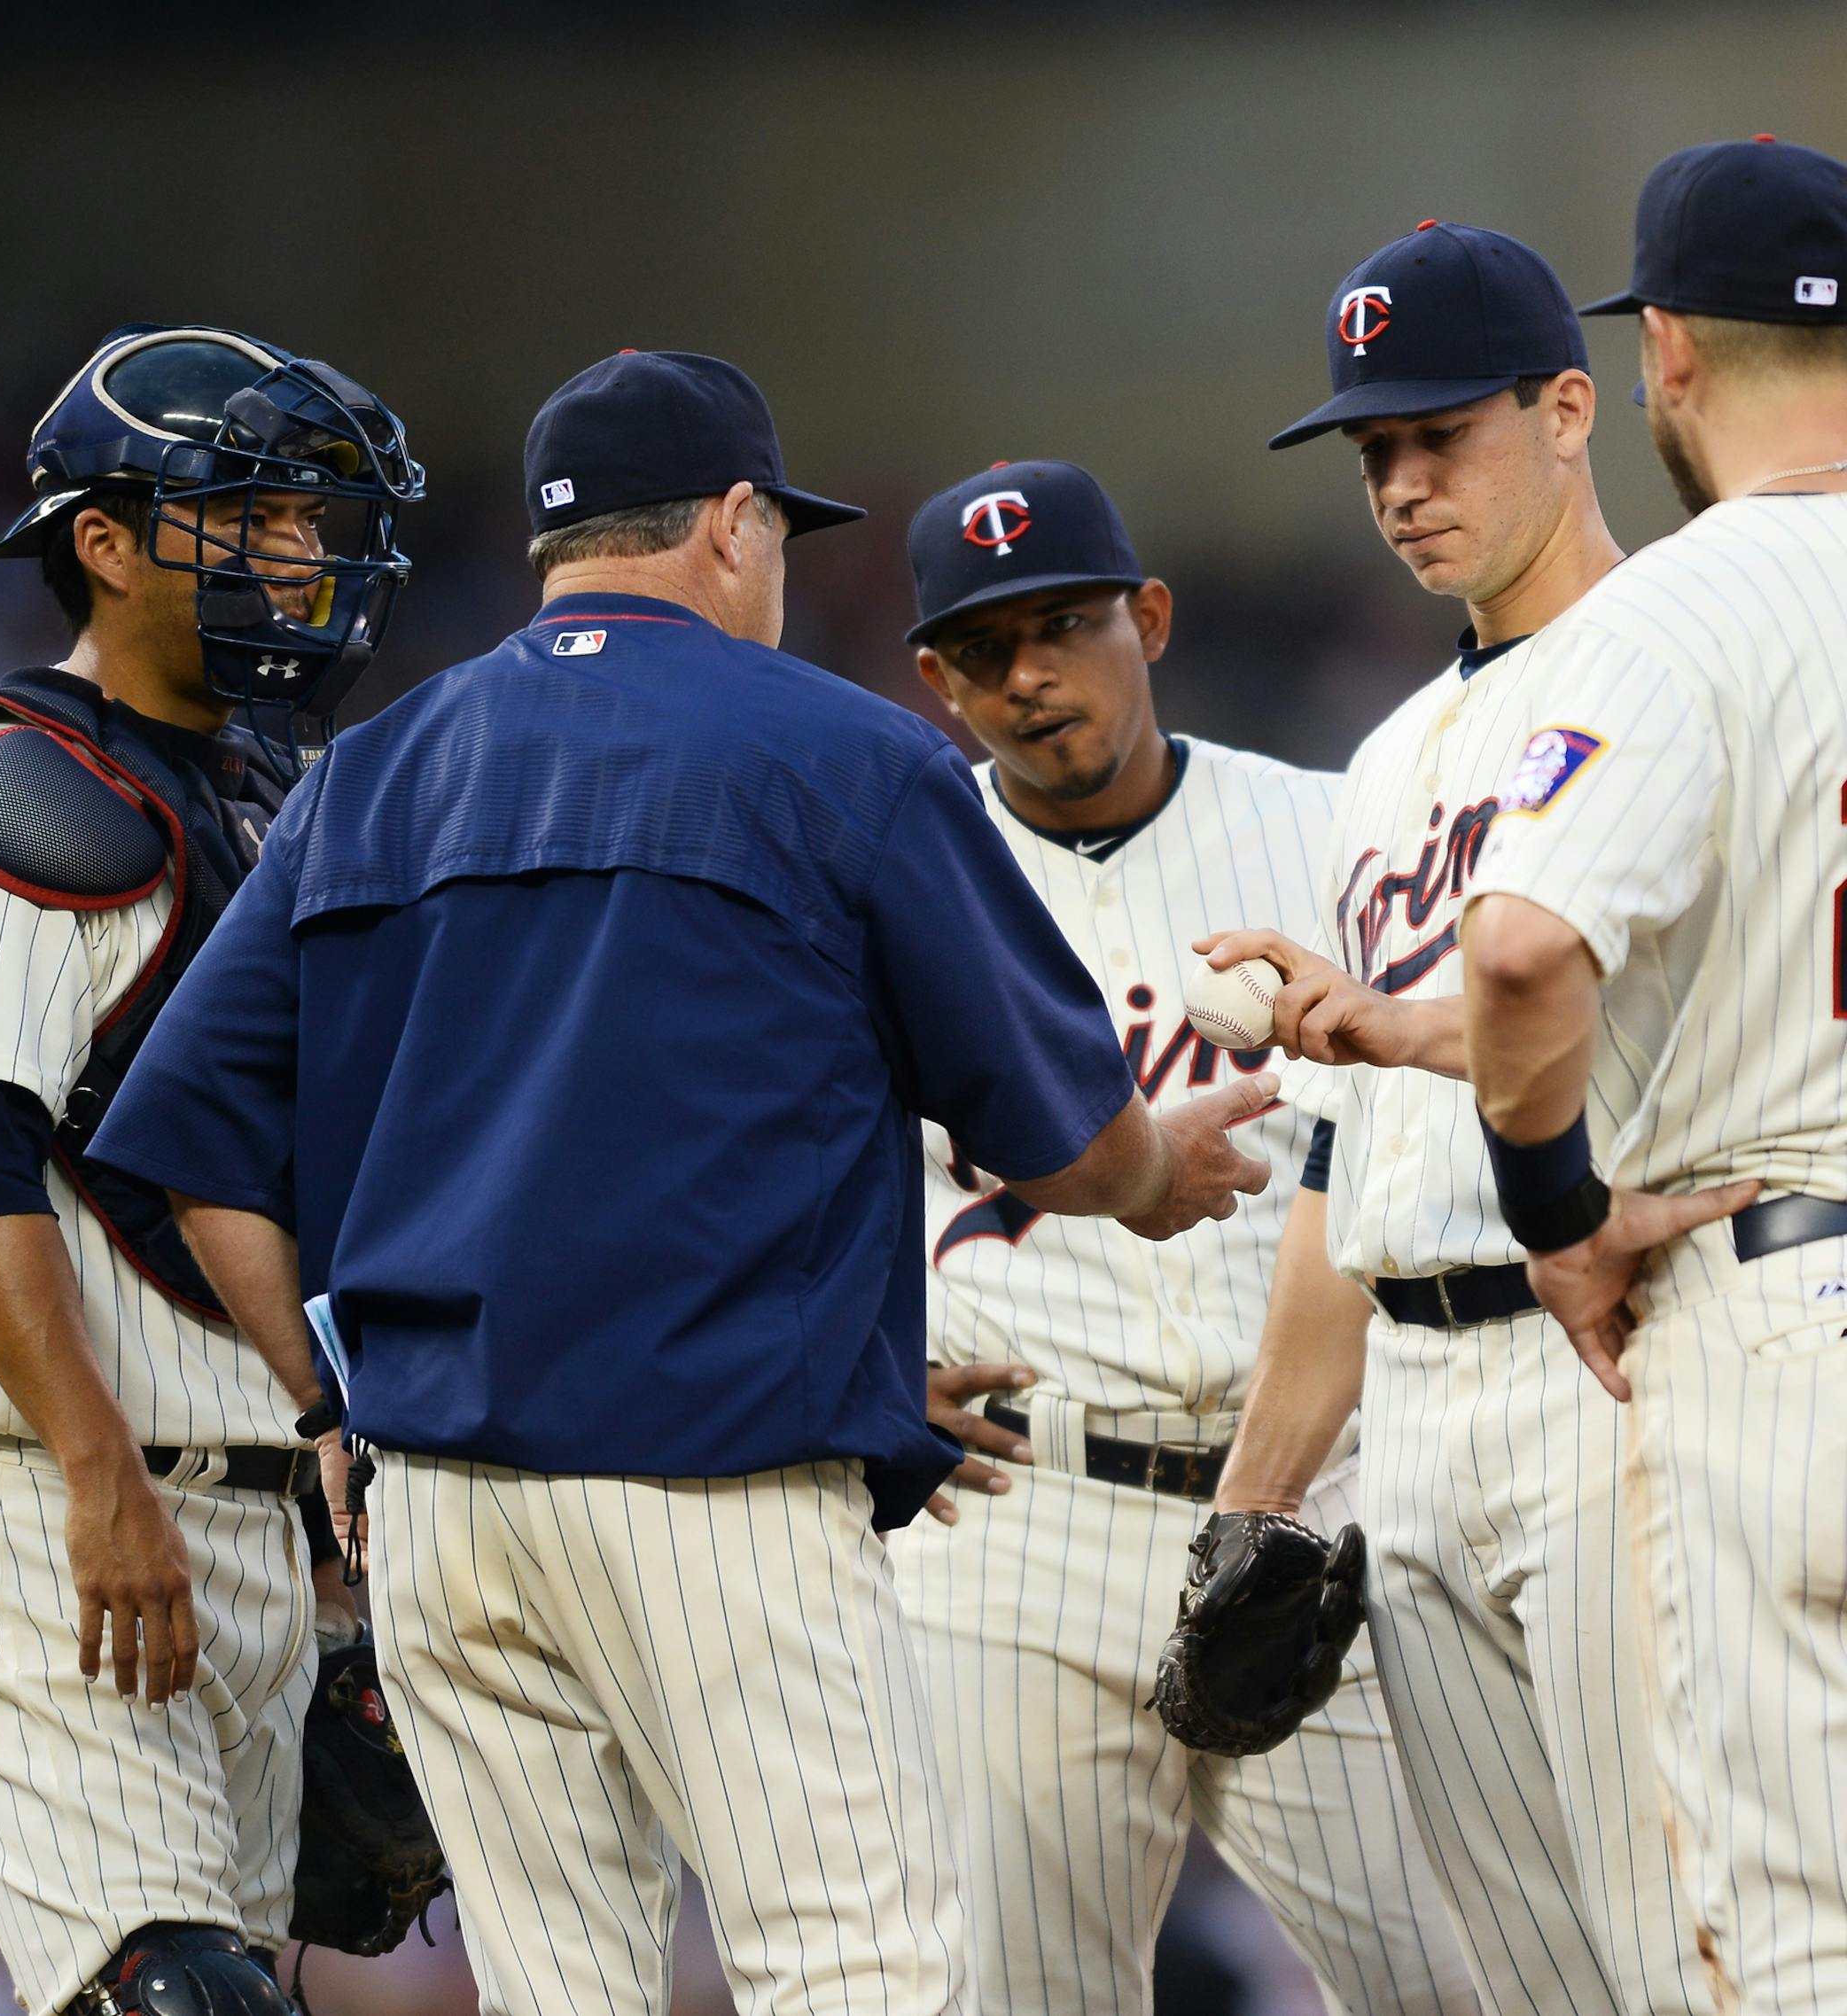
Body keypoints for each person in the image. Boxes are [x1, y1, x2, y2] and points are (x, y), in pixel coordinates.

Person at [86, 349, 1282, 2016]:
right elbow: (1068, 1140)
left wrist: (322, 1408)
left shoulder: (375, 770)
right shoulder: (845, 754)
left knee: (562, 1992)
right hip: (715, 1493)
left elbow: (195, 1151)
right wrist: (1159, 1181)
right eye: (775, 532)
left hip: (443, 1509)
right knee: (854, 1968)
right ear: (733, 521)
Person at [1202, 225, 1718, 2016]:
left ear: (1572, 408)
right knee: (1521, 1980)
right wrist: (1257, 1499)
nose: (1405, 486)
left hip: (1618, 1360)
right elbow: (1337, 1172)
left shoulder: (1693, 655)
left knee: (1689, 1934)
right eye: (1374, 454)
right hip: (1415, 1406)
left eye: (1441, 436)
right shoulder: (1391, 754)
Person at [884, 456, 1475, 2015]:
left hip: (1309, 1504)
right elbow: (772, 1161)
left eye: (1066, 624)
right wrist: (848, 1372)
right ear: (936, 679)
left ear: (1149, 616)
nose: (1032, 676)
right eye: (987, 648)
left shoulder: (1331, 829)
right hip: (1021, 1512)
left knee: (1454, 1976)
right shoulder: (893, 870)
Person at [0, 323, 420, 2016]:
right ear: (109, 539)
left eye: (312, 521)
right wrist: (93, 1472)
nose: (300, 557)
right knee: (182, 1999)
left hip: (256, 1512)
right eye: (255, 515)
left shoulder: (275, 791)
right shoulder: (23, 783)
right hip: (53, 1498)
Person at [1461, 135, 1847, 2016]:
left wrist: (1557, 1212)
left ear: (1665, 355)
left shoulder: (1671, 613)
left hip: (1784, 1315)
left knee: (1793, 1941)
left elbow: (1523, 948)